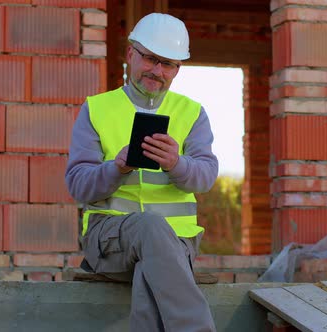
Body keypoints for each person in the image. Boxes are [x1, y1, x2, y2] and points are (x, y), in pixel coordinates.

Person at [65, 12, 218, 332]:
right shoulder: (97, 109)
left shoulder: (192, 114)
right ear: (130, 54)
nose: (157, 70)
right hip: (109, 242)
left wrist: (177, 163)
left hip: (177, 247)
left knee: (152, 270)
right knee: (150, 229)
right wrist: (116, 167)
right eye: (150, 58)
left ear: (178, 69)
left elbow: (205, 177)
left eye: (168, 64)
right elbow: (78, 186)